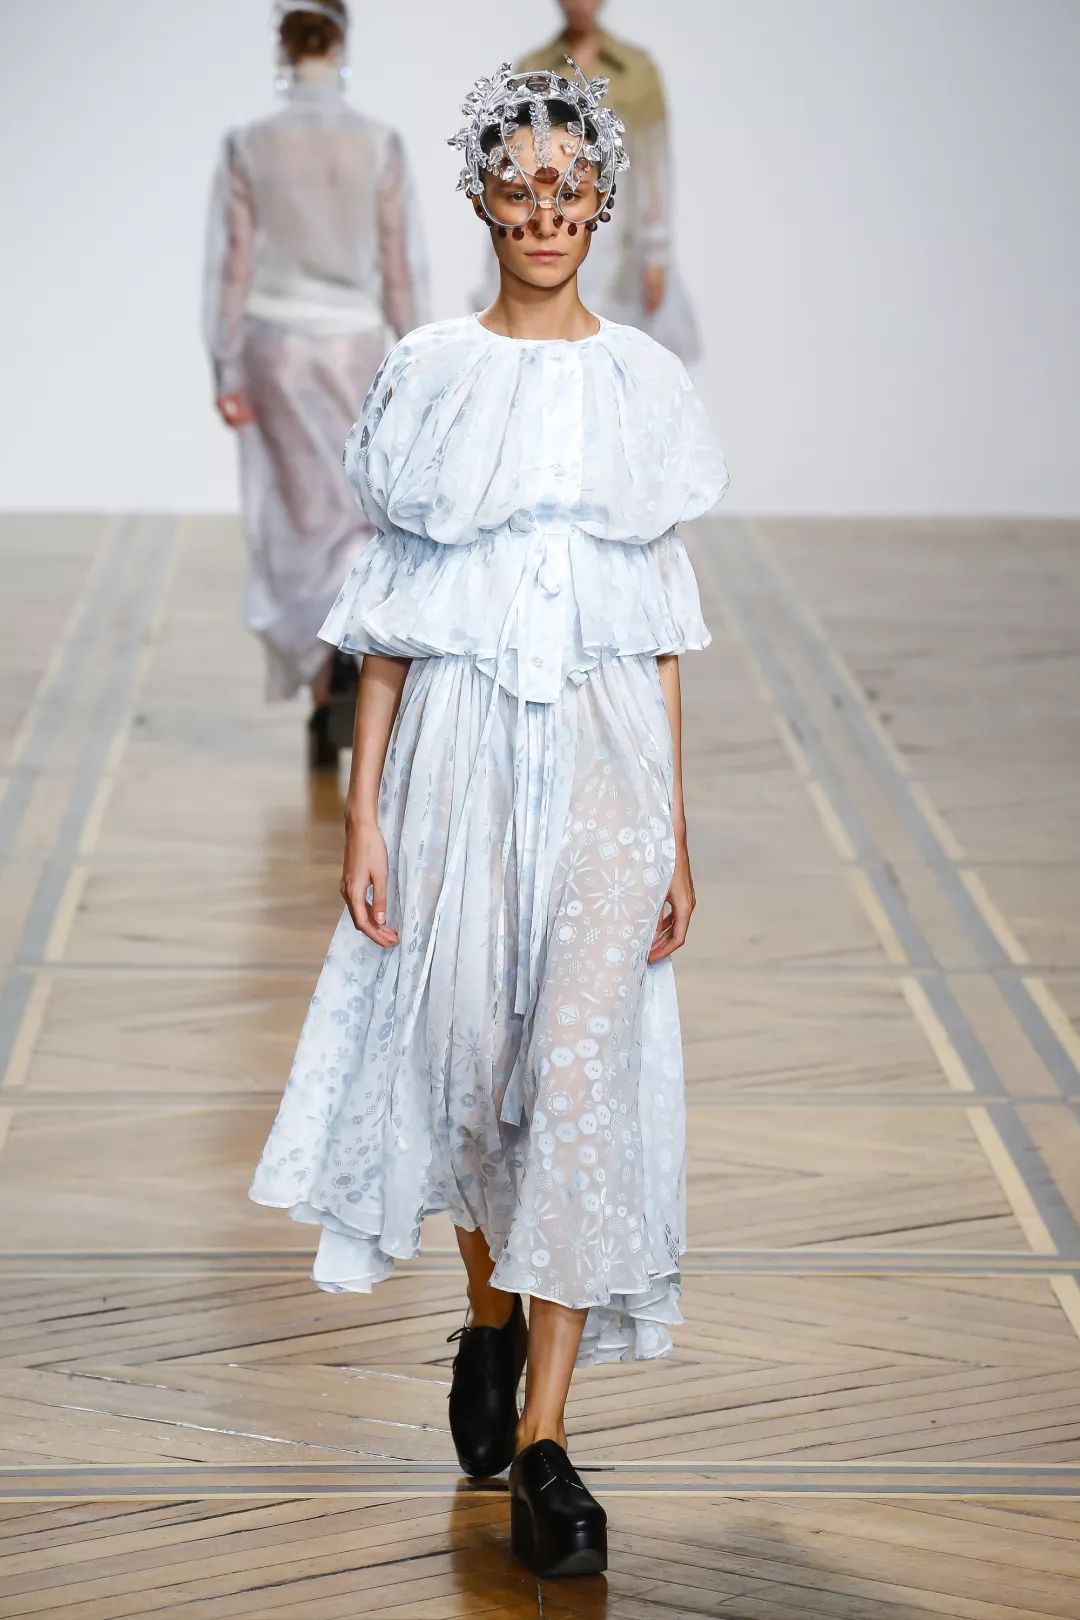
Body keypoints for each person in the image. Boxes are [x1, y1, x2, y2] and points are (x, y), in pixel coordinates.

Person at [250, 59, 727, 1576]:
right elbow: (389, 612)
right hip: (455, 758)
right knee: (467, 1072)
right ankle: (487, 1316)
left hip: (604, 764)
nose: (543, 211)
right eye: (517, 186)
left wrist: (677, 826)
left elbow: (659, 623)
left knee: (578, 1081)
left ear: (601, 202)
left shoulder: (645, 383)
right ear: (481, 198)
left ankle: (548, 1444)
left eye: (567, 188)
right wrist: (363, 818)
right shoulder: (432, 370)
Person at [202, 1, 427, 766]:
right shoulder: (379, 144)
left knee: (297, 521)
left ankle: (323, 691)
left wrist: (225, 362)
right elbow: (400, 268)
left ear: (283, 44)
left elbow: (232, 265)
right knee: (356, 513)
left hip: (275, 345)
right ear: (341, 40)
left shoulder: (249, 144)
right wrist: (419, 360)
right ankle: (347, 659)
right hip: (354, 345)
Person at [475, 0, 700, 363]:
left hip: (615, 230)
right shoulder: (534, 66)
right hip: (548, 219)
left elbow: (654, 166)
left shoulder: (636, 71)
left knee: (615, 353)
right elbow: (508, 169)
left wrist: (656, 253)